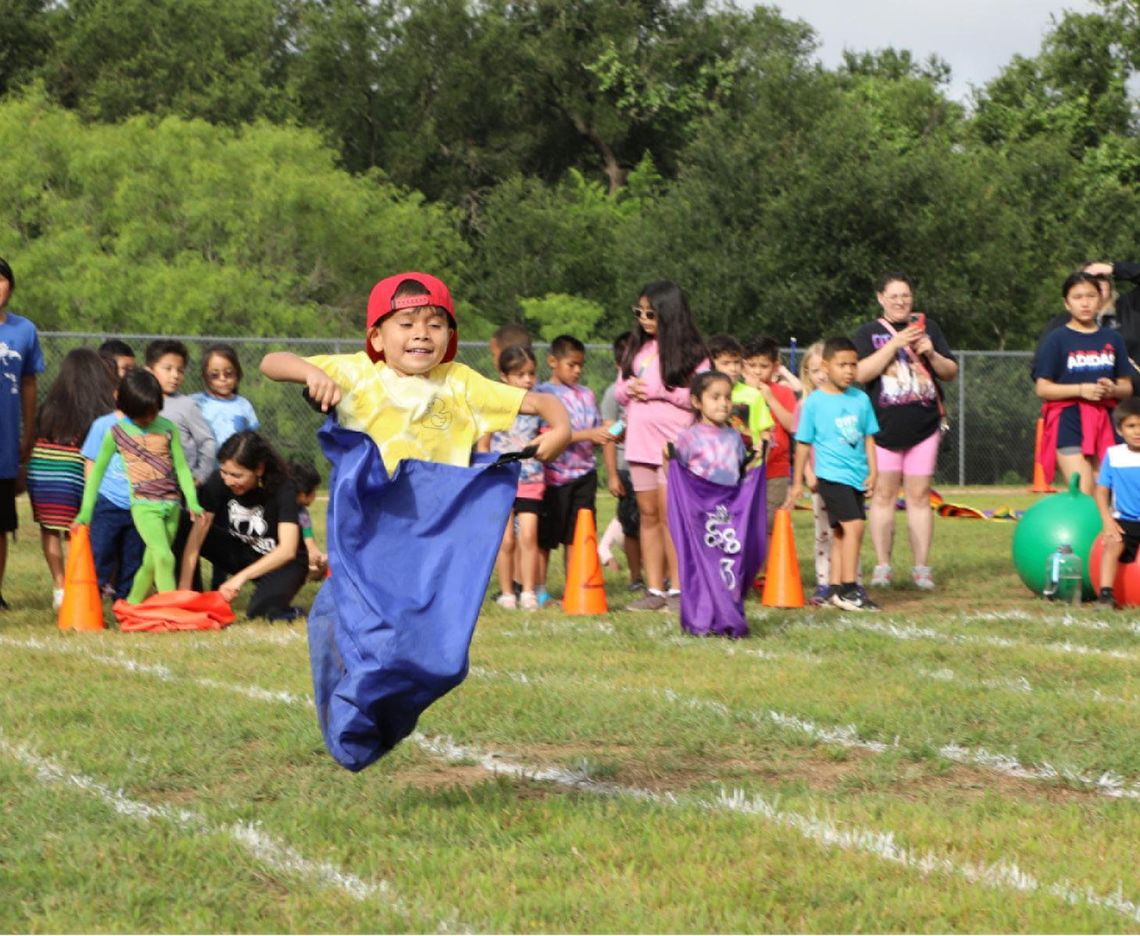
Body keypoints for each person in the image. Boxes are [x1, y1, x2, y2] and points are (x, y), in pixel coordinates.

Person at [260, 271, 570, 770]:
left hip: (438, 536)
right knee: (373, 637)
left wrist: (563, 425)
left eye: (435, 323)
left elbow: (542, 401)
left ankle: (375, 704)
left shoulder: (461, 384)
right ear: (377, 337)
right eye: (406, 322)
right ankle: (352, 710)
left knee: (445, 663)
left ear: (450, 336)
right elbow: (272, 361)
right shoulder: (357, 374)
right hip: (370, 528)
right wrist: (310, 374)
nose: (421, 333)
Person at [854, 272, 958, 591]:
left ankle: (921, 567)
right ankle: (883, 566)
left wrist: (930, 351)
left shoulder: (929, 329)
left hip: (923, 427)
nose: (901, 301)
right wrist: (895, 345)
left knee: (919, 497)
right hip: (882, 429)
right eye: (894, 296)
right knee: (883, 496)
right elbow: (860, 373)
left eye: (906, 296)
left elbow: (950, 372)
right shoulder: (867, 332)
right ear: (880, 298)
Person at [616, 280, 708, 613]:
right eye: (638, 311)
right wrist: (629, 388)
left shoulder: (694, 353)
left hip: (674, 446)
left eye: (650, 312)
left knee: (674, 518)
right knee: (648, 515)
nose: (642, 318)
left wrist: (660, 391)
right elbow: (617, 390)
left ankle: (680, 590)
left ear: (668, 313)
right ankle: (654, 589)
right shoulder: (636, 349)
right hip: (639, 444)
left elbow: (700, 396)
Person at [74, 369, 202, 605]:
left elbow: (182, 468)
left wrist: (192, 501)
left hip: (171, 505)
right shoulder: (117, 433)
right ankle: (170, 608)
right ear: (126, 408)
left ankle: (130, 604)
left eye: (153, 412)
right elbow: (97, 473)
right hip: (144, 506)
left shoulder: (167, 428)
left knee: (151, 561)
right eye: (141, 415)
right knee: (165, 557)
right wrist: (86, 511)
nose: (148, 419)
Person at [787, 337, 879, 611]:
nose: (849, 370)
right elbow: (803, 444)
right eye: (842, 365)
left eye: (853, 364)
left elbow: (869, 438)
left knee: (840, 532)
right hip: (831, 476)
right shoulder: (814, 403)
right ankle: (851, 590)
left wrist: (874, 472)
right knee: (855, 526)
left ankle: (836, 589)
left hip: (856, 476)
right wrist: (797, 483)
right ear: (826, 366)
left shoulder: (861, 399)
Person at [179, 431, 309, 620]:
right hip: (245, 553)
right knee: (182, 523)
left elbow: (287, 550)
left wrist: (240, 578)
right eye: (224, 472)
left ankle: (297, 613)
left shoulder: (284, 488)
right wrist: (184, 588)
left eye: (237, 475)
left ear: (259, 469)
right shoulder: (219, 481)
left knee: (261, 613)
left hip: (284, 564)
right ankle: (193, 596)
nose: (228, 480)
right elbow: (198, 533)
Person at [26, 349, 117, 610]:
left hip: (41, 471)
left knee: (49, 528)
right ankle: (81, 584)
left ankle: (59, 587)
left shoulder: (51, 404)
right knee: (77, 530)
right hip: (73, 472)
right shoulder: (98, 408)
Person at [1033, 270, 1132, 495]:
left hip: (1105, 421)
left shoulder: (1113, 338)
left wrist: (1112, 390)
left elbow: (1126, 387)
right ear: (1067, 303)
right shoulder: (1057, 339)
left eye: (1090, 296)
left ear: (1101, 300)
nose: (1085, 303)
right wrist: (1081, 390)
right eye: (1077, 297)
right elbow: (1043, 388)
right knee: (1084, 491)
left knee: (1106, 492)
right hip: (1068, 420)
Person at [535, 335, 610, 604]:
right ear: (553, 361)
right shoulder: (544, 394)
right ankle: (539, 589)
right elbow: (550, 434)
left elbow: (595, 426)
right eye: (571, 365)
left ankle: (574, 586)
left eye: (581, 365)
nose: (577, 370)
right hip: (554, 477)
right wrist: (589, 434)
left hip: (585, 474)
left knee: (576, 535)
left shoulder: (587, 394)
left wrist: (606, 434)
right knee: (546, 537)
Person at [484, 344, 545, 610]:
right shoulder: (494, 405)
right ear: (504, 377)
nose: (527, 380)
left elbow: (549, 435)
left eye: (531, 374)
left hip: (531, 480)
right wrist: (486, 471)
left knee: (529, 537)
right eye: (520, 375)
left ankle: (528, 591)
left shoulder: (539, 404)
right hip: (501, 482)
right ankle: (507, 592)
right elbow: (483, 443)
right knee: (506, 539)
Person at [0, 257, 45, 610]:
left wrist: (28, 432)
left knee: (0, 523)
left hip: (4, 441)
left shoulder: (24, 331)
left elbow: (29, 382)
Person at [1034, 260, 1140, 393]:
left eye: (1100, 277)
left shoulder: (1130, 308)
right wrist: (1079, 389)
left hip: (1131, 402)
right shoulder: (1061, 326)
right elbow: (1040, 371)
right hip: (1076, 403)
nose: (1095, 283)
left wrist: (1114, 268)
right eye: (1088, 278)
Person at [599, 331, 643, 590]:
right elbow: (608, 436)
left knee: (655, 522)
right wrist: (613, 475)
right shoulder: (613, 394)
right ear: (619, 365)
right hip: (626, 468)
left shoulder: (650, 389)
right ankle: (636, 577)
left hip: (650, 465)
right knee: (631, 525)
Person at [743, 336, 798, 534]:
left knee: (769, 522)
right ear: (743, 366)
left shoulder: (783, 393)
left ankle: (769, 564)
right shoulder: (737, 392)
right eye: (752, 365)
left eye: (763, 366)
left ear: (775, 367)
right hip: (745, 468)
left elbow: (792, 425)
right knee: (746, 520)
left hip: (776, 469)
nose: (757, 371)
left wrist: (770, 398)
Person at [145, 339, 217, 485]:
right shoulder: (139, 402)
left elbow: (207, 442)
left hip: (179, 487)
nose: (175, 375)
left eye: (180, 370)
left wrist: (199, 476)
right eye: (168, 368)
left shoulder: (187, 405)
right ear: (149, 370)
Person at [1094, 397, 1140, 607]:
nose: (1137, 431)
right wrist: (1108, 521)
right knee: (1112, 544)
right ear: (1120, 430)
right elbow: (1101, 491)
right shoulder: (1113, 455)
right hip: (1124, 521)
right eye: (1131, 426)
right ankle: (1105, 595)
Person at [670, 371, 748, 485]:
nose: (724, 403)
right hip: (699, 501)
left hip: (729, 500)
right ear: (696, 402)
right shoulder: (688, 438)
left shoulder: (734, 436)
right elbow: (675, 477)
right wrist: (666, 458)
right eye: (715, 398)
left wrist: (760, 456)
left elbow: (742, 471)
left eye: (728, 397)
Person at [707, 334, 773, 456]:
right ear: (711, 364)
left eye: (737, 362)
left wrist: (762, 453)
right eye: (726, 363)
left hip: (750, 466)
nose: (733, 368)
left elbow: (766, 432)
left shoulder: (753, 395)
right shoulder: (705, 395)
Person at [191, 343, 260, 450]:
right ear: (204, 376)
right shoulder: (194, 403)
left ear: (237, 375)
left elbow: (251, 439)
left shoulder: (243, 405)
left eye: (228, 374)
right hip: (204, 464)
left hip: (234, 465)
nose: (222, 379)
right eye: (215, 375)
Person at [289, 459, 328, 579]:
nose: (315, 495)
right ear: (302, 493)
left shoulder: (302, 512)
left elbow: (308, 537)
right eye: (315, 490)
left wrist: (316, 555)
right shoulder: (278, 509)